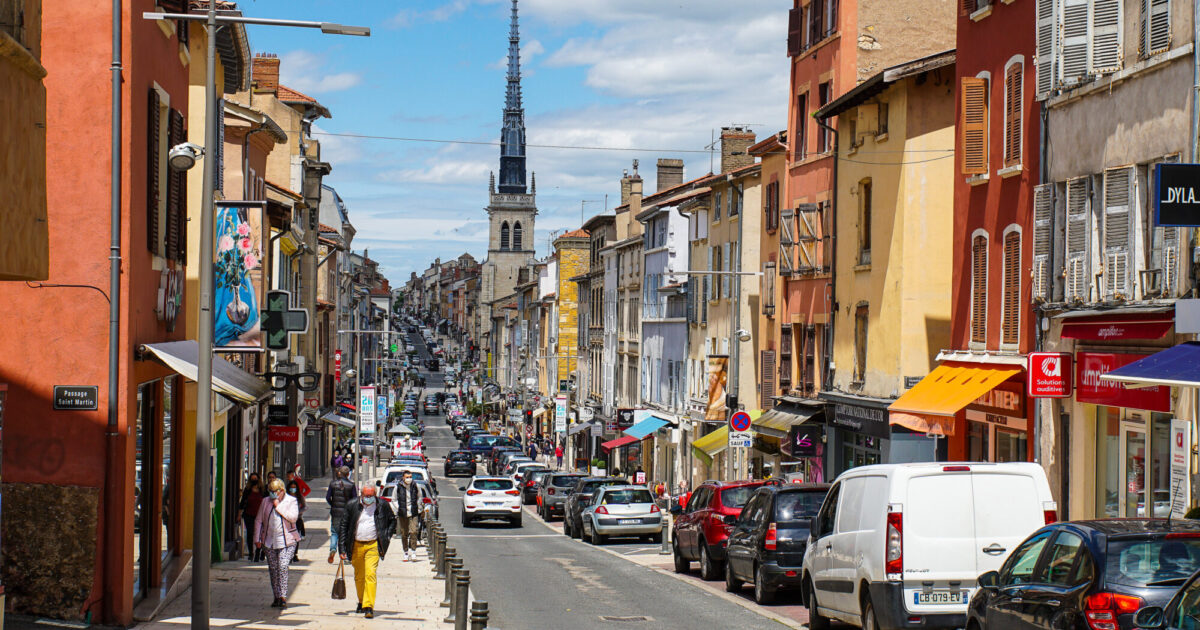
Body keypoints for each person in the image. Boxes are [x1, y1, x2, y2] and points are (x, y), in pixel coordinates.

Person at [339, 484, 396, 619]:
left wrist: (386, 536)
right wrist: (342, 548)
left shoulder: (382, 505)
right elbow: (344, 526)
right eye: (366, 496)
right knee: (359, 576)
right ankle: (361, 601)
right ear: (361, 494)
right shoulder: (352, 505)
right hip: (356, 545)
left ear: (375, 495)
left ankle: (369, 606)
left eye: (371, 496)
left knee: (370, 574)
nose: (368, 498)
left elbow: (392, 520)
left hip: (373, 545)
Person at [254, 478, 301, 609]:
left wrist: (278, 506)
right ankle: (276, 596)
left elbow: (293, 517)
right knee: (273, 569)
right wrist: (257, 538)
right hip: (269, 541)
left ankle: (283, 596)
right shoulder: (265, 502)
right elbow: (259, 520)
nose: (272, 494)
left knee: (283, 566)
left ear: (281, 491)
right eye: (270, 491)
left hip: (288, 541)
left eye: (275, 491)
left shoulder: (291, 501)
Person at [327, 465, 357, 564]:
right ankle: (344, 556)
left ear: (339, 473)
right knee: (346, 534)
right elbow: (355, 500)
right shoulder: (351, 485)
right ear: (348, 474)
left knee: (334, 532)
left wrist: (333, 505)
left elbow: (328, 497)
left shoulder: (333, 484)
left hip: (335, 512)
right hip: (347, 513)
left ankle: (332, 548)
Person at [394, 470, 422, 561]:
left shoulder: (415, 486)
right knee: (404, 533)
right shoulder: (398, 487)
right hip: (403, 513)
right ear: (403, 478)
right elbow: (393, 499)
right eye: (407, 477)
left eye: (410, 477)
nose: (409, 479)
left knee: (414, 531)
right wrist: (399, 508)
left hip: (413, 512)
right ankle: (406, 552)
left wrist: (418, 507)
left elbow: (420, 497)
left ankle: (413, 551)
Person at [238, 473, 265, 562]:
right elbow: (242, 503)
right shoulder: (248, 490)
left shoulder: (263, 490)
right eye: (252, 479)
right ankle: (251, 553)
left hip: (260, 516)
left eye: (255, 479)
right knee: (250, 533)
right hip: (249, 515)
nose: (254, 481)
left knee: (260, 534)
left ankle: (258, 551)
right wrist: (239, 514)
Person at [285, 479, 307, 558]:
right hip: (287, 520)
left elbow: (305, 507)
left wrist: (298, 512)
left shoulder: (300, 496)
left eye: (294, 487)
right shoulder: (285, 496)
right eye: (291, 487)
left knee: (296, 536)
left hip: (297, 519)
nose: (293, 489)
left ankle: (294, 553)